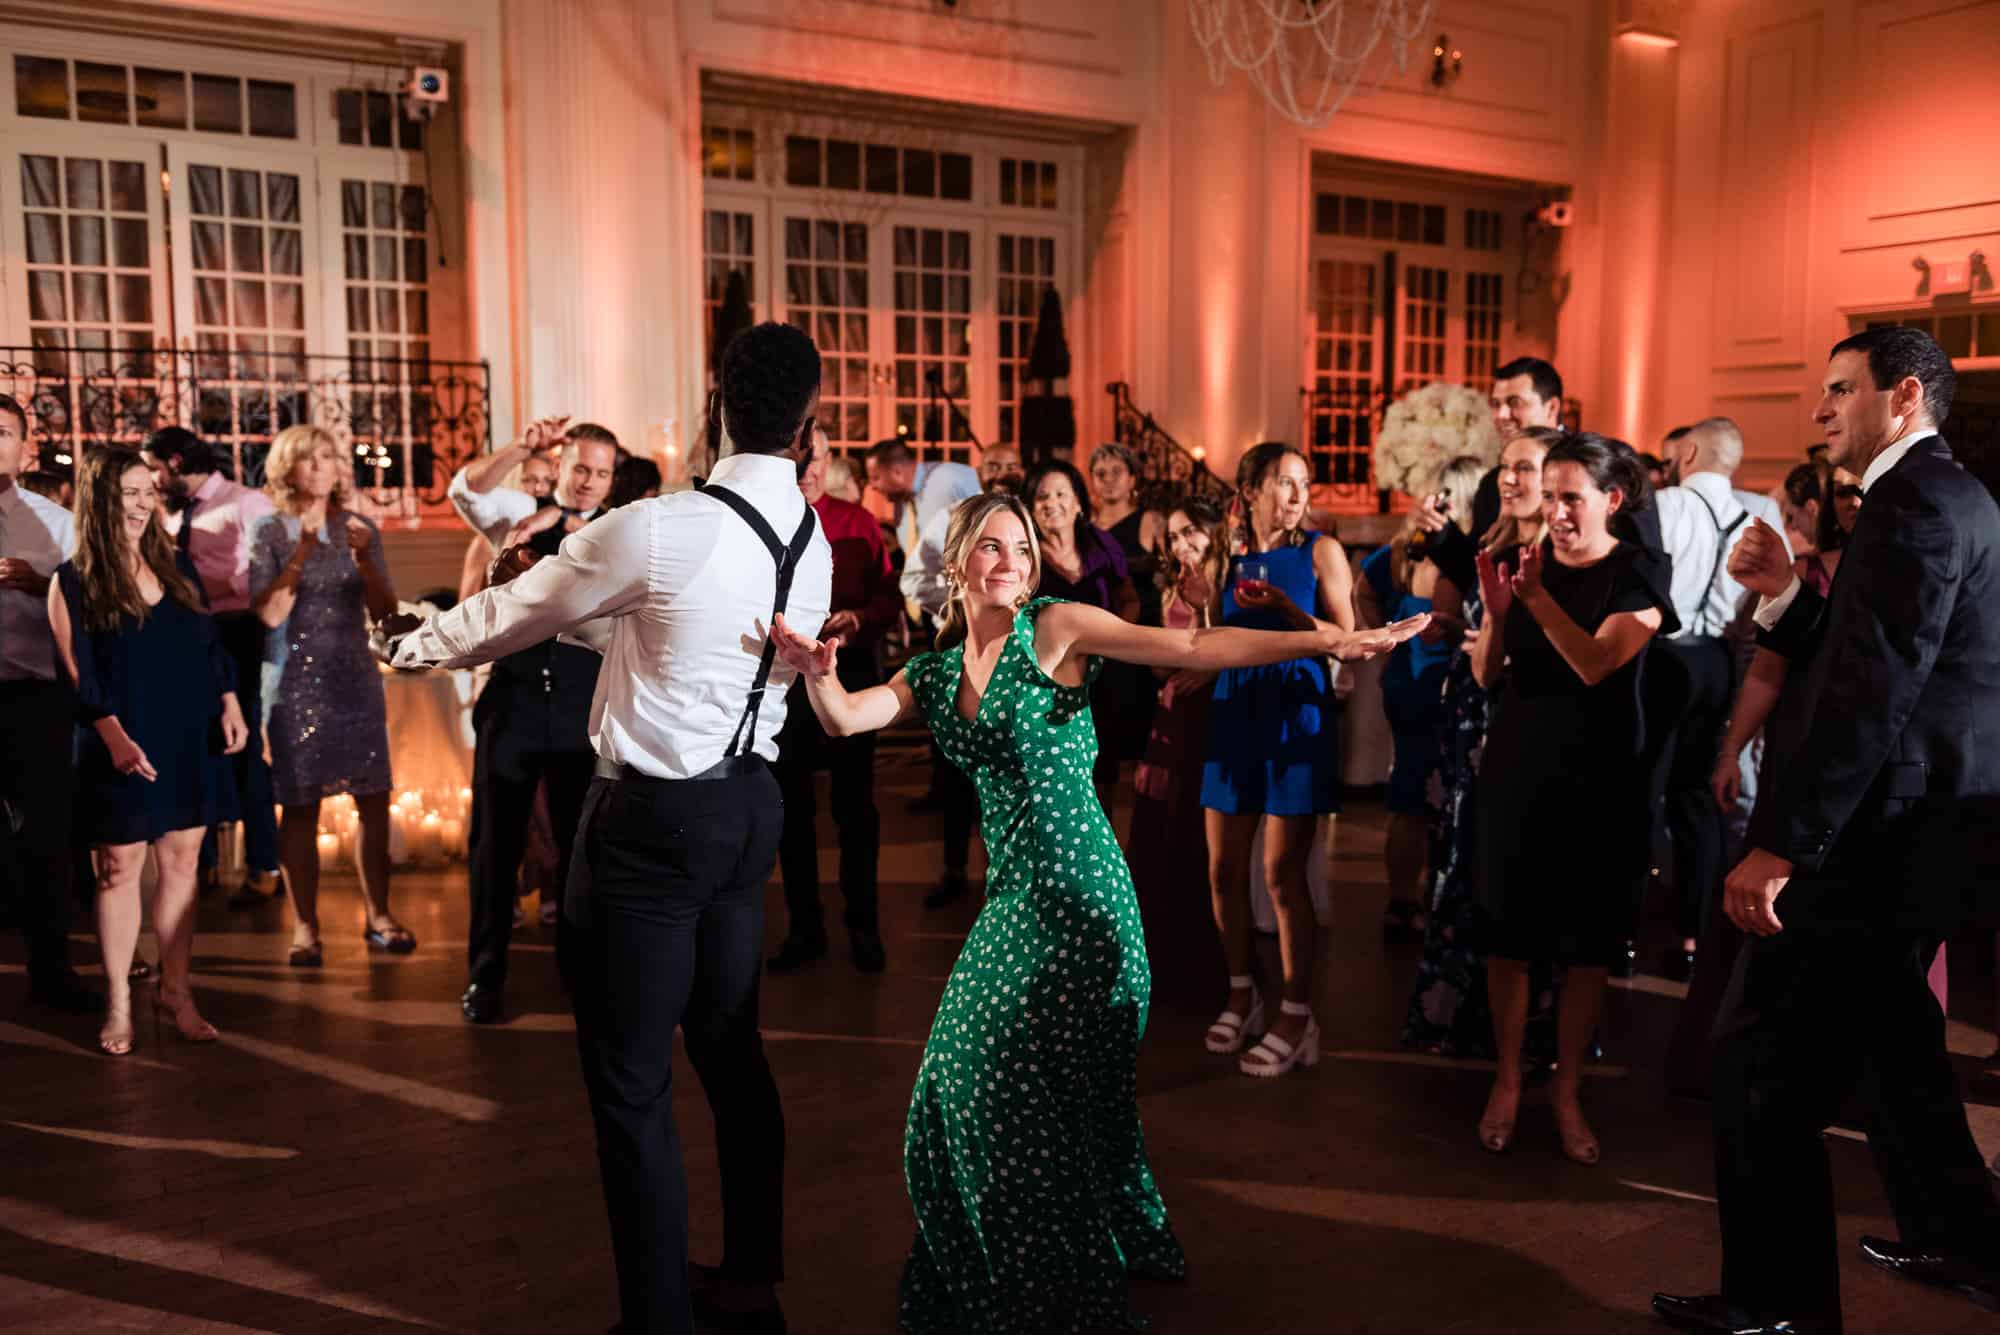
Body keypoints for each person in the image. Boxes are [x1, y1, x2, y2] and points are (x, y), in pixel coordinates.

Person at [767, 490, 1425, 1335]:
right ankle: (1022, 1248)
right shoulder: (931, 672)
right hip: (1014, 899)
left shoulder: (1058, 628)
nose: (1011, 562)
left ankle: (1053, 1277)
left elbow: (1192, 644)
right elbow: (850, 717)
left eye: (1023, 549)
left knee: (1030, 1091)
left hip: (1085, 902)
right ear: (959, 559)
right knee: (950, 1088)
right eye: (993, 547)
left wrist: (1330, 637)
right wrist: (817, 675)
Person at [380, 321, 833, 1335]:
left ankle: (658, 1319)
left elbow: (521, 605)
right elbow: (658, 630)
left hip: (649, 824)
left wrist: (417, 646)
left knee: (630, 1085)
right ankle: (753, 1278)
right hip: (748, 809)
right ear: (806, 427)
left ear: (716, 406)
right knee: (729, 1046)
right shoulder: (810, 543)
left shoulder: (662, 525)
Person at [1656, 327, 2000, 1335]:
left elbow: (1871, 692)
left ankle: (1777, 1305)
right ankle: (1961, 1240)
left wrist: (1781, 846)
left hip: (1874, 839)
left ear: (1899, 398)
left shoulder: (1913, 505)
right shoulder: (1939, 498)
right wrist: (1781, 599)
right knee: (1900, 1056)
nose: (1817, 413)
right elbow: (1875, 659)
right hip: (1908, 834)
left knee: (1755, 1063)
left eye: (1836, 392)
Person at [1471, 433, 1676, 1163]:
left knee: (1586, 947)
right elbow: (1488, 675)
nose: (1554, 511)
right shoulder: (1526, 566)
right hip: (1518, 770)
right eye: (1549, 496)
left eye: (1570, 498)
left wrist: (1533, 599)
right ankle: (1504, 1077)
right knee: (1510, 938)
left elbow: (1594, 663)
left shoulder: (1640, 575)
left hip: (1600, 782)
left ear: (1612, 500)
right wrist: (1500, 613)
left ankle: (1565, 1091)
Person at [48, 447, 248, 1054]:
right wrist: (114, 738)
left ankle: (176, 992)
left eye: (146, 492)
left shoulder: (178, 565)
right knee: (119, 871)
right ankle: (118, 1003)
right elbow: (78, 674)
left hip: (189, 735)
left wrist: (230, 699)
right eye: (127, 492)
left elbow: (209, 645)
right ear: (99, 498)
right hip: (119, 740)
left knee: (185, 867)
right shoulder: (72, 579)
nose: (140, 503)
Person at [444, 421, 619, 1023]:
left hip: (582, 710)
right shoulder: (519, 513)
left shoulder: (621, 532)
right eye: (580, 468)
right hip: (513, 702)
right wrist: (522, 448)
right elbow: (463, 492)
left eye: (601, 472)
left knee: (580, 852)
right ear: (562, 463)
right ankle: (484, 977)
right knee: (494, 847)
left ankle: (580, 972)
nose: (589, 482)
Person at [1401, 427, 1561, 1059]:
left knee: (1503, 879)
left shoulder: (1555, 557)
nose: (1510, 479)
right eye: (1506, 468)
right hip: (1466, 724)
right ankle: (1457, 1015)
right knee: (1456, 865)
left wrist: (1494, 646)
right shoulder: (1495, 542)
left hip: (1511, 730)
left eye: (1525, 467)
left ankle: (1517, 1037)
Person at [1200, 441, 1357, 1076]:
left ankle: (1298, 1012)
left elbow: (1345, 641)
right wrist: (1200, 598)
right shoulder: (1226, 555)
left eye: (1302, 483)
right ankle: (1243, 991)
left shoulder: (1320, 552)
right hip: (1235, 710)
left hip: (1296, 711)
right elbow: (1208, 639)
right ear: (1249, 493)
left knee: (1282, 875)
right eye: (1283, 483)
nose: (1296, 495)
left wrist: (1291, 612)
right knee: (1221, 869)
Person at [250, 425, 414, 966]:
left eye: (328, 457)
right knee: (299, 805)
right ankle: (305, 926)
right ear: (286, 468)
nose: (321, 467)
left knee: (373, 800)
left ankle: (380, 916)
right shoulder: (269, 531)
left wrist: (366, 561)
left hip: (354, 679)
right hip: (293, 683)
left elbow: (387, 614)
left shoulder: (360, 528)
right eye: (309, 458)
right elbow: (269, 614)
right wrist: (299, 552)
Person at [1649, 418, 1789, 980]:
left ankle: (1625, 926)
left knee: (1644, 786)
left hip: (1660, 657)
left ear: (1687, 451)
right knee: (1696, 797)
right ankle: (1694, 935)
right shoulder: (1762, 510)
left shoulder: (1664, 505)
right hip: (1719, 661)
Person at [769, 428, 898, 974]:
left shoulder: (857, 521)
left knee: (855, 812)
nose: (806, 467)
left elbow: (890, 596)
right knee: (792, 813)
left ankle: (863, 926)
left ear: (828, 461)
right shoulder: (768, 520)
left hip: (850, 676)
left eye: (815, 456)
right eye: (798, 455)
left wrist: (862, 618)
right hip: (785, 685)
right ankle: (805, 928)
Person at [144, 426, 280, 909]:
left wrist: (192, 588)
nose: (153, 480)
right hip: (188, 636)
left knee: (242, 749)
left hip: (237, 633)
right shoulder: (173, 512)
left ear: (176, 462)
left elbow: (258, 575)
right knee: (193, 747)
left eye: (155, 469)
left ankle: (265, 863)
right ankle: (197, 866)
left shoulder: (246, 503)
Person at [1357, 454, 1480, 943]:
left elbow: (1364, 592)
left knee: (1408, 791)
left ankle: (1401, 900)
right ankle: (1429, 900)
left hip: (1405, 683)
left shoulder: (1404, 549)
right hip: (1442, 681)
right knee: (1441, 795)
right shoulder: (1459, 555)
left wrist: (1382, 640)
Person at [0, 393, 96, 1015]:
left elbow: (89, 611)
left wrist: (43, 585)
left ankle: (52, 969)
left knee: (47, 837)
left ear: (24, 444)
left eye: (4, 432)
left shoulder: (56, 524)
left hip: (35, 696)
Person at [901, 443, 1024, 910]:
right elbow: (915, 578)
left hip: (1024, 658)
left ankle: (1011, 880)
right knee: (958, 775)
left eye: (1012, 466)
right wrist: (961, 610)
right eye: (994, 466)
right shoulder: (953, 517)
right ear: (979, 474)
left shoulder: (1028, 524)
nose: (1004, 473)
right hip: (965, 647)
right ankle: (954, 872)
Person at [1127, 495, 1228, 988]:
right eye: (1173, 536)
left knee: (1199, 829)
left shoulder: (1227, 581)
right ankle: (1158, 949)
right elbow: (1158, 665)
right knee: (1160, 825)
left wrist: (1205, 621)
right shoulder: (1170, 589)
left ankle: (1204, 952)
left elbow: (1227, 648)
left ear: (1213, 533)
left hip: (1213, 717)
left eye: (1191, 532)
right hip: (1171, 712)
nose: (1182, 543)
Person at [1026, 459, 1141, 810]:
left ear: (1078, 502)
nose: (1052, 503)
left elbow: (1130, 600)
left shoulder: (1102, 545)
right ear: (1030, 507)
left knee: (1103, 773)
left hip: (1101, 679)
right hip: (1045, 685)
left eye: (1062, 493)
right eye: (1042, 496)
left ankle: (1097, 856)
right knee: (1049, 781)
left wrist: (1113, 643)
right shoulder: (1023, 554)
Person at [456, 446, 556, 603]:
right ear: (512, 481)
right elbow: (465, 605)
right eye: (528, 480)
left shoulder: (553, 534)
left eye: (546, 481)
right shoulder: (483, 544)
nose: (539, 488)